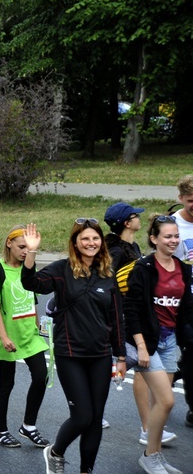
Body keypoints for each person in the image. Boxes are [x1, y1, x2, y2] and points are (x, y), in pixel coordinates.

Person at [21, 220, 125, 474]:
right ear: (76, 243)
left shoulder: (108, 275)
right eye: (85, 239)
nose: (91, 243)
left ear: (101, 242)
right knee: (82, 416)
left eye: (95, 239)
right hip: (70, 354)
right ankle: (55, 452)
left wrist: (120, 355)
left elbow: (116, 319)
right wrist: (32, 252)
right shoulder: (62, 270)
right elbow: (30, 283)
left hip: (100, 354)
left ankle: (85, 470)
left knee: (95, 419)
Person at [124, 215, 190, 474]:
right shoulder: (144, 268)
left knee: (159, 404)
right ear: (154, 239)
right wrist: (140, 345)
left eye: (176, 236)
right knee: (167, 400)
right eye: (167, 236)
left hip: (171, 339)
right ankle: (149, 454)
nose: (173, 241)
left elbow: (187, 309)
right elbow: (131, 309)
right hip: (149, 341)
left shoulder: (183, 268)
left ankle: (155, 455)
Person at [0, 225, 50, 449]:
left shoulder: (28, 269)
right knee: (6, 384)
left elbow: (33, 299)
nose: (24, 252)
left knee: (41, 376)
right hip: (6, 336)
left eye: (28, 249)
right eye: (22, 247)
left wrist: (39, 324)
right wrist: (3, 337)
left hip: (29, 334)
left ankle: (28, 426)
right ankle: (1, 431)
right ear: (9, 244)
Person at [172, 175, 193, 428]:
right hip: (185, 301)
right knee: (191, 351)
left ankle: (176, 370)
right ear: (181, 199)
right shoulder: (173, 226)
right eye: (191, 201)